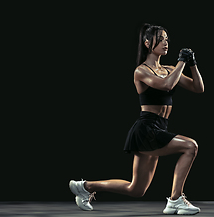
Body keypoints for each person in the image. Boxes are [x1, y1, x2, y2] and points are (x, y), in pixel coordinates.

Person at [69, 23, 204, 215]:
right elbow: (166, 86)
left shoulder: (168, 69)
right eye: (161, 38)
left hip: (159, 128)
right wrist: (181, 63)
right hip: (147, 129)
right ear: (148, 43)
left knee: (136, 189)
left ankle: (85, 186)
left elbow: (198, 88)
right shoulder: (142, 71)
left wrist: (192, 64)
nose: (166, 42)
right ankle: (175, 199)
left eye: (167, 38)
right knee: (191, 146)